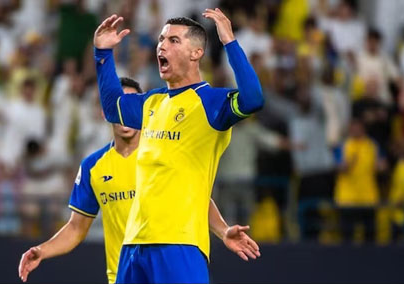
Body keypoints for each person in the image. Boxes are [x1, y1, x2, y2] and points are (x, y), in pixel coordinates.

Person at [18, 78, 260, 283]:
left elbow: (196, 196)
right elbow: (76, 227)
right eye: (122, 106)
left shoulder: (163, 152)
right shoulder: (93, 166)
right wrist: (42, 250)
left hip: (166, 268)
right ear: (107, 110)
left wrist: (223, 230)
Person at [94, 8, 263, 283]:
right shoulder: (152, 102)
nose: (162, 45)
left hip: (179, 243)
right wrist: (102, 53)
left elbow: (253, 99)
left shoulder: (211, 103)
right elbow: (113, 108)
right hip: (134, 243)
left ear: (196, 53)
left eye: (174, 40)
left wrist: (229, 42)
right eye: (161, 39)